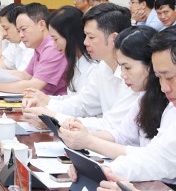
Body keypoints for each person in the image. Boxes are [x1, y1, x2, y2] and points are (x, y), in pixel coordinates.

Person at [74, 26, 176, 187]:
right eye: (159, 77)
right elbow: (157, 156)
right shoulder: (163, 104)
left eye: (169, 77)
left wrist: (89, 141)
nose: (164, 88)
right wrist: (107, 170)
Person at [22, 3, 137, 131]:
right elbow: (82, 104)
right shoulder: (103, 67)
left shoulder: (133, 76)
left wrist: (54, 117)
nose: (85, 42)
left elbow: (112, 126)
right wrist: (46, 108)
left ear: (114, 38)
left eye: (91, 37)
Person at [0, 3, 68, 95]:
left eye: (24, 29)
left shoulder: (52, 47)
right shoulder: (39, 45)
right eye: (18, 31)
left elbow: (34, 86)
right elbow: (25, 75)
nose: (21, 35)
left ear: (41, 25)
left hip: (54, 101)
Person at [47, 6, 96, 94]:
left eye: (55, 39)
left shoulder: (93, 68)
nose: (54, 45)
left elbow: (81, 101)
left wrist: (47, 100)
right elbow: (72, 99)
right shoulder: (75, 61)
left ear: (70, 36)